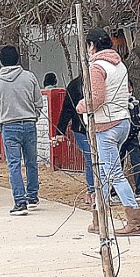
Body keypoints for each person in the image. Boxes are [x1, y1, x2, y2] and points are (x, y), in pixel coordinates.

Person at [76, 28, 140, 236]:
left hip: (105, 125)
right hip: (122, 121)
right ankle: (99, 218)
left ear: (91, 46)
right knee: (104, 174)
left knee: (113, 174)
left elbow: (96, 99)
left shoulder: (97, 67)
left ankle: (135, 221)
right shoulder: (119, 65)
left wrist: (81, 106)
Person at [0, 45, 43, 216]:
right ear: (18, 58)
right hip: (29, 123)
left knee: (14, 164)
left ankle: (20, 202)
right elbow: (38, 102)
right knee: (32, 161)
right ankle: (32, 196)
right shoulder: (29, 77)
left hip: (9, 125)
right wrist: (34, 116)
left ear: (1, 61)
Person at [52, 75, 94, 205]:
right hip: (81, 129)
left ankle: (106, 191)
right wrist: (60, 131)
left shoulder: (104, 81)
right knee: (91, 158)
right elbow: (67, 109)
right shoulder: (75, 85)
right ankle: (92, 191)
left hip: (102, 127)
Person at [111, 81, 140, 202]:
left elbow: (136, 118)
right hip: (121, 137)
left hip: (132, 136)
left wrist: (137, 126)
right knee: (118, 163)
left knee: (137, 161)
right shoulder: (117, 102)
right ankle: (114, 192)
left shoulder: (133, 101)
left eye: (129, 87)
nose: (128, 90)